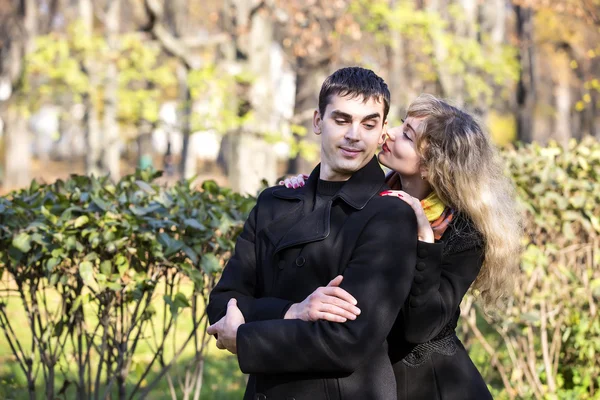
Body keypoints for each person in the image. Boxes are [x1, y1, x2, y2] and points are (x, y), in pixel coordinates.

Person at [281, 94, 521, 399]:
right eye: (400, 125)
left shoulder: (465, 233)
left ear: (432, 165)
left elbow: (420, 327)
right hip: (367, 378)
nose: (389, 133)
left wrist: (425, 240)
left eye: (407, 135)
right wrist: (309, 189)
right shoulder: (372, 197)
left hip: (433, 385)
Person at [206, 67, 423, 400]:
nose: (354, 135)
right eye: (341, 120)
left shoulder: (390, 215)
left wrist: (247, 337)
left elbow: (347, 342)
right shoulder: (273, 203)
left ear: (382, 134)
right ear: (318, 121)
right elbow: (222, 304)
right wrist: (293, 311)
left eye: (368, 124)